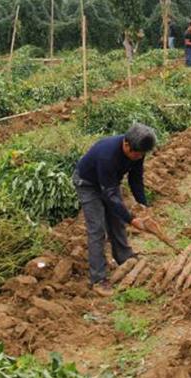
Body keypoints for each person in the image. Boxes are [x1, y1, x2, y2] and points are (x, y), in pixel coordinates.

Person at [72, 123, 155, 297]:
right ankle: (98, 279)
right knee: (97, 229)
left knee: (117, 221)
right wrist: (132, 219)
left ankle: (124, 257)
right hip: (88, 184)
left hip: (109, 183)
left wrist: (144, 205)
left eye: (142, 155)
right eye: (136, 154)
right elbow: (109, 194)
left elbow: (136, 179)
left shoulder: (138, 151)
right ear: (126, 144)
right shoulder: (107, 155)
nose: (138, 157)